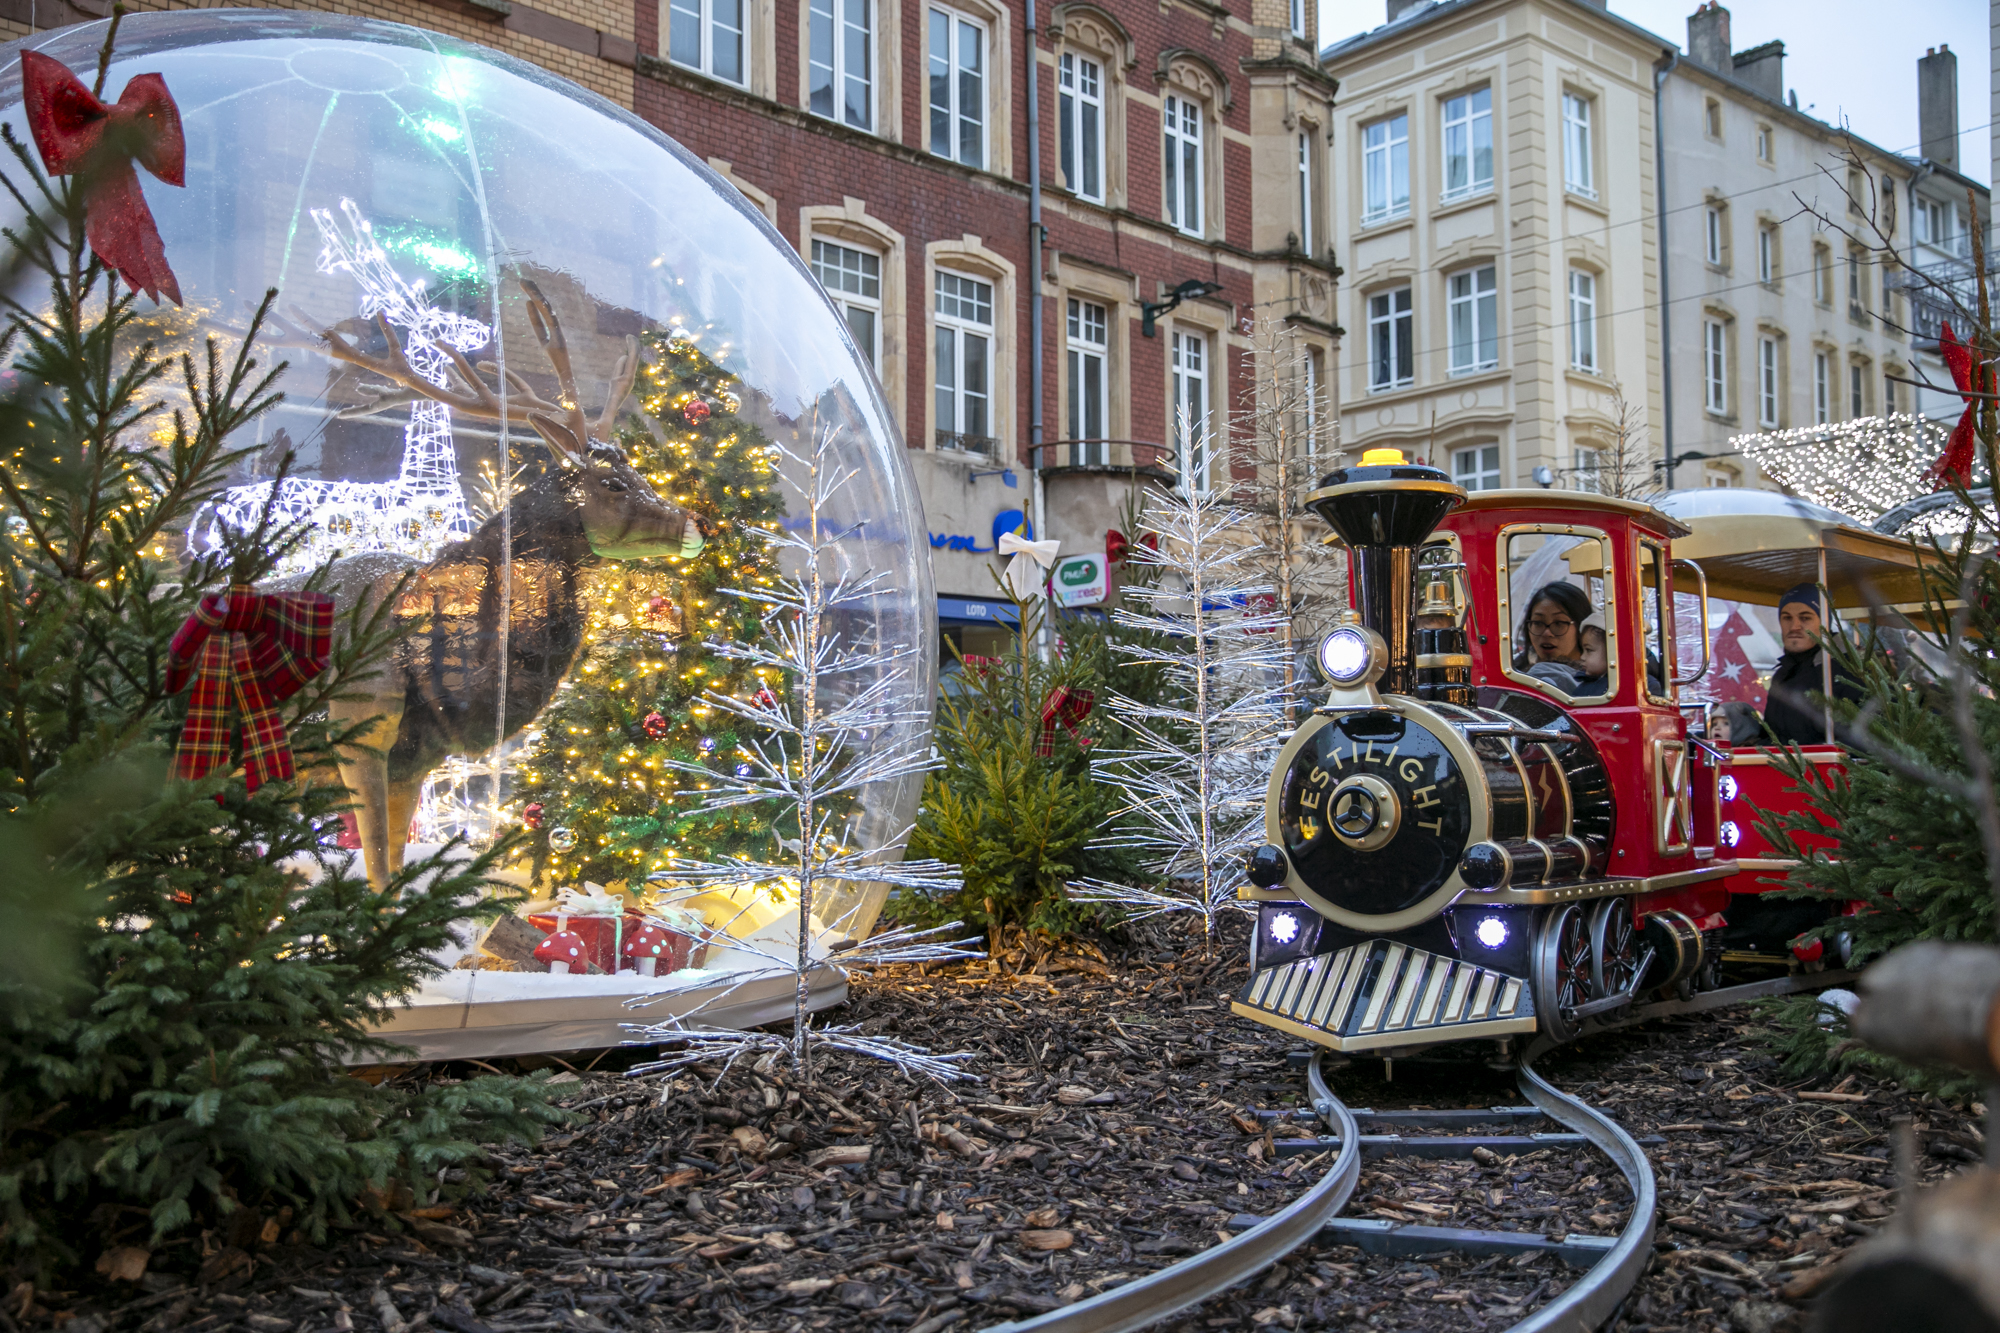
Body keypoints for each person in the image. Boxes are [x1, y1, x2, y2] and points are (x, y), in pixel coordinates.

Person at [1761, 583, 1864, 745]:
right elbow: (1774, 736)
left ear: (1825, 625)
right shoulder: (1783, 674)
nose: (1794, 627)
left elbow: (1868, 740)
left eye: (1805, 618)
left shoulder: (1850, 671)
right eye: (1787, 617)